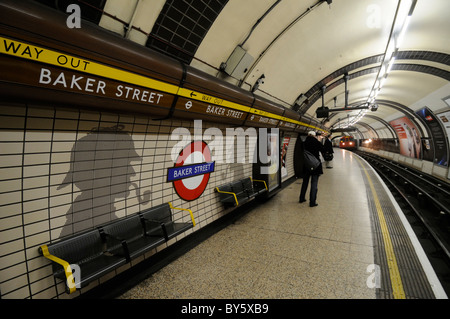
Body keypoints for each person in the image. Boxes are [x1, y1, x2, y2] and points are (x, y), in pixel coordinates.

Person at [299, 131, 324, 207]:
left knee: (305, 182)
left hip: (306, 165)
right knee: (314, 183)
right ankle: (312, 202)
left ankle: (301, 198)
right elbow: (323, 149)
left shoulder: (303, 143)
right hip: (315, 165)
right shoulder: (317, 142)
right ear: (314, 136)